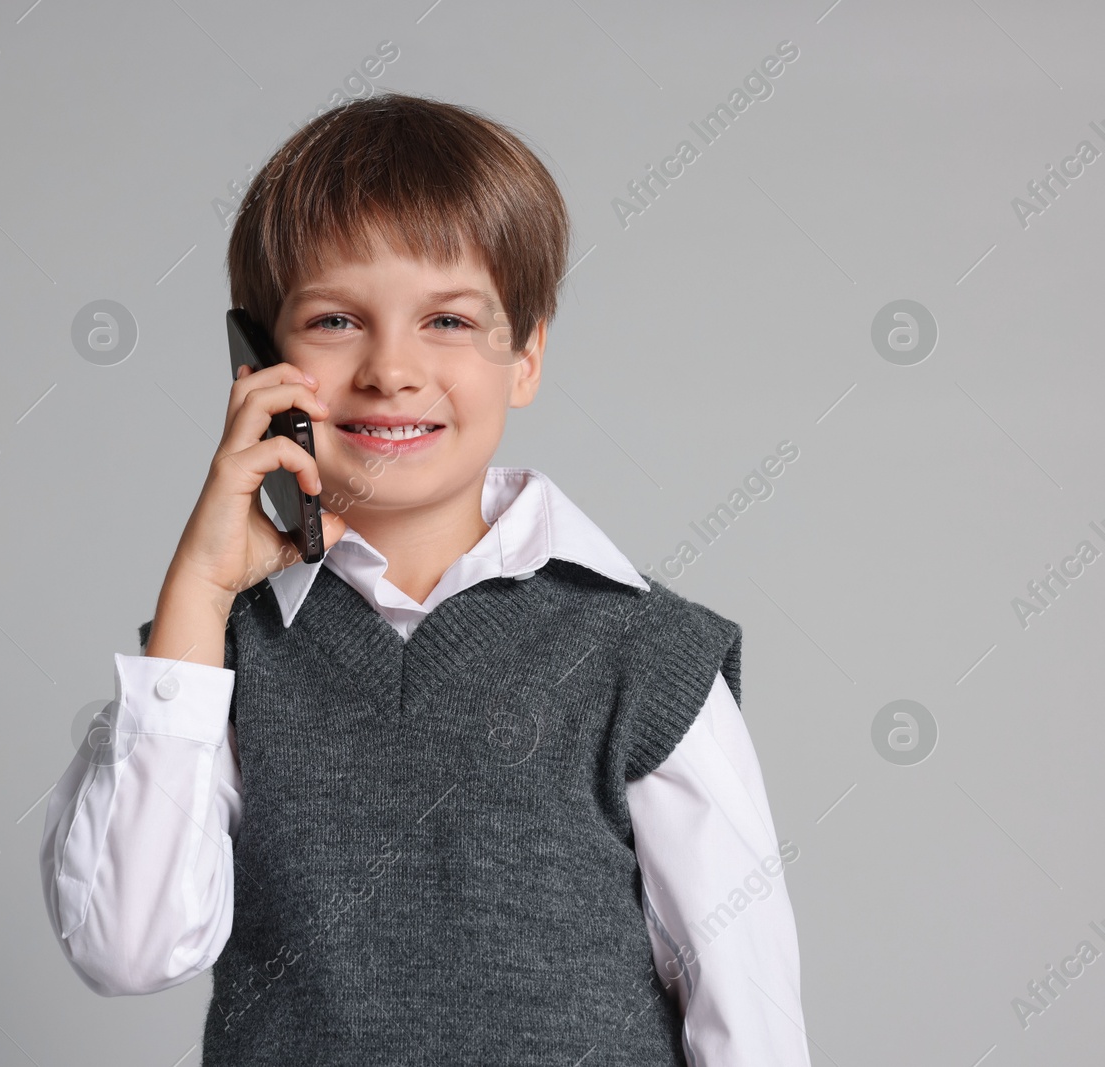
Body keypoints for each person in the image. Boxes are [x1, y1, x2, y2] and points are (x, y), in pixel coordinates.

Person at [41, 90, 811, 1066]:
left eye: (447, 319)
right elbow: (126, 946)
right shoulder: (212, 657)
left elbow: (746, 1005)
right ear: (255, 365)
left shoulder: (645, 654)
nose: (391, 368)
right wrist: (195, 592)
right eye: (334, 320)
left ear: (525, 354)